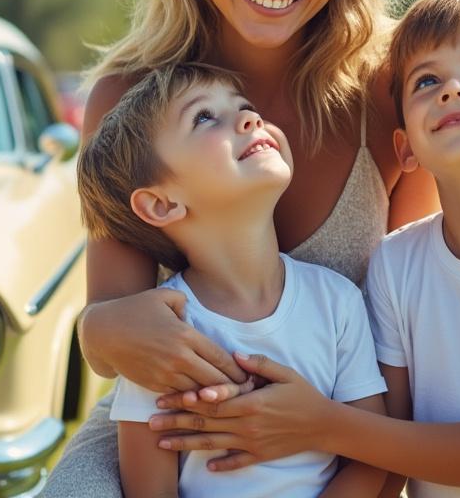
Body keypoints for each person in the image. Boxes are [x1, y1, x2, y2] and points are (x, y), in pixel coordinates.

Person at [42, 0, 438, 496]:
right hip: (161, 444)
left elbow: (415, 345)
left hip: (353, 447)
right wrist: (102, 332)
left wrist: (328, 441)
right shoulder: (127, 101)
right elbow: (111, 333)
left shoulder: (393, 96)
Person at [150, 0, 460, 496]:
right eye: (427, 81)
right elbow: (388, 457)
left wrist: (320, 424)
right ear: (406, 148)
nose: (453, 89)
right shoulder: (396, 263)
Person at [78, 63, 389, 497]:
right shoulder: (160, 340)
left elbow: (371, 457)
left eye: (245, 107)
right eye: (204, 117)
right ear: (161, 204)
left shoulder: (338, 302)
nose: (249, 119)